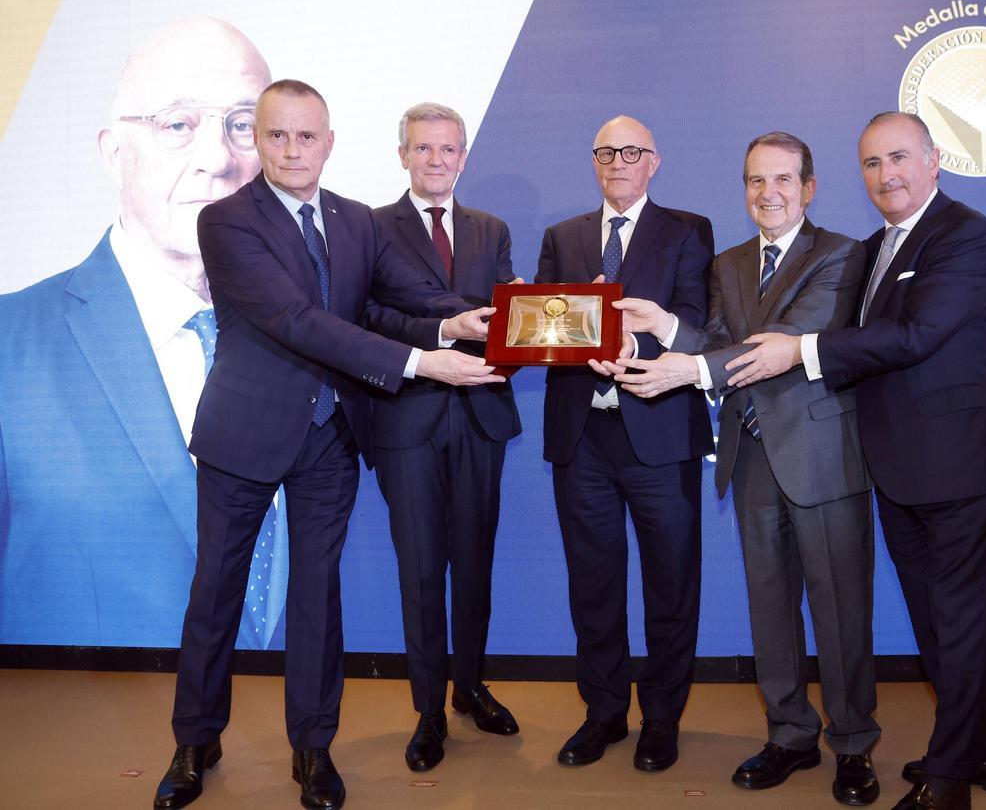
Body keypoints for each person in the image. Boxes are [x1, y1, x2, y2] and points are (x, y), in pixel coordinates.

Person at [154, 79, 504, 810]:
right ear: (257, 139)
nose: (291, 149)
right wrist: (420, 362)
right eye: (276, 135)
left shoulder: (353, 221)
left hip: (330, 436)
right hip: (243, 434)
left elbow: (396, 295)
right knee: (216, 589)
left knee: (319, 596)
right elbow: (296, 320)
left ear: (329, 142)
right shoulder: (225, 222)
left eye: (305, 136)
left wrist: (480, 318)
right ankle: (196, 739)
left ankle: (311, 748)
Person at [723, 112, 986, 810]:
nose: (887, 175)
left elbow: (916, 335)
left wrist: (799, 350)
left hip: (960, 466)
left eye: (899, 159)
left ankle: (949, 783)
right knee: (937, 625)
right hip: (896, 466)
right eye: (872, 164)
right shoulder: (875, 246)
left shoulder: (966, 234)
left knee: (962, 620)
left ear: (933, 160)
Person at [609, 131, 881, 805]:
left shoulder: (842, 256)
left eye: (783, 180)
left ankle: (852, 745)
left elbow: (779, 347)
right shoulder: (730, 262)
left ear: (809, 188)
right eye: (756, 181)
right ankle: (790, 735)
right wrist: (668, 327)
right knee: (771, 611)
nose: (769, 193)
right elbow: (722, 343)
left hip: (822, 460)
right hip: (751, 454)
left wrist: (691, 367)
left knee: (840, 612)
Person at [0, 18, 284, 649]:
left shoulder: (327, 334)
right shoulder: (8, 346)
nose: (216, 160)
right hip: (89, 734)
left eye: (242, 125)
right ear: (111, 151)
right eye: (177, 124)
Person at [535, 115, 714, 772]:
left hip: (660, 433)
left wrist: (638, 341)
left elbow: (698, 325)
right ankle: (604, 712)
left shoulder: (688, 231)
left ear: (654, 161)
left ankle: (662, 719)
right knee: (594, 584)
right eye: (606, 151)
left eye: (631, 150)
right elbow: (549, 332)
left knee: (672, 583)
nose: (618, 161)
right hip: (581, 436)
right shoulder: (562, 237)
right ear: (593, 162)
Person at [363, 102, 523, 772]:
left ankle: (470, 686)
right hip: (409, 418)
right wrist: (440, 333)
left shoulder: (491, 229)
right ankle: (429, 710)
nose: (436, 160)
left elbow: (514, 320)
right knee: (422, 570)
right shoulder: (369, 228)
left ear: (464, 157)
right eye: (423, 148)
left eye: (448, 149)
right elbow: (364, 313)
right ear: (403, 154)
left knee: (474, 562)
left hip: (481, 416)